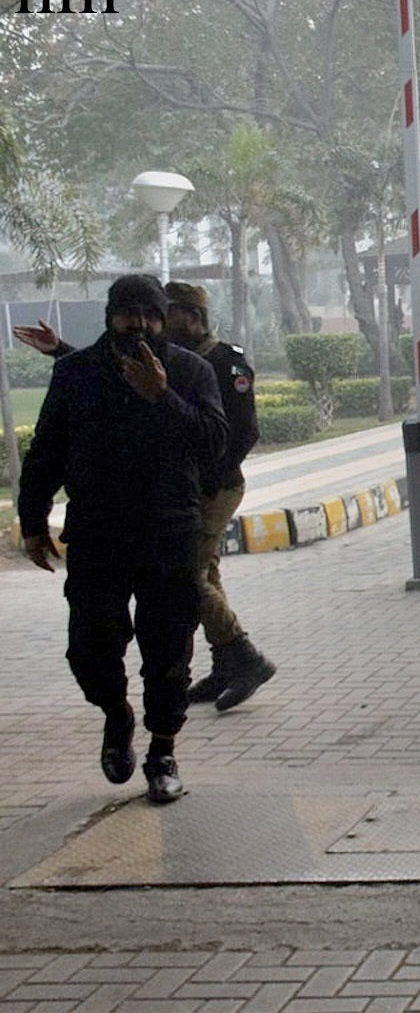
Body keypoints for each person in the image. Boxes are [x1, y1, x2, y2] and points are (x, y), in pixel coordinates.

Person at [16, 274, 228, 804]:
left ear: (163, 318)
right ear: (110, 317)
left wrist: (163, 399)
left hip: (168, 531)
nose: (139, 324)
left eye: (150, 314)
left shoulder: (189, 371)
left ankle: (162, 751)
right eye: (127, 313)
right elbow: (46, 451)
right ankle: (116, 713)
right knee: (89, 648)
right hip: (97, 535)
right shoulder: (76, 373)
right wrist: (32, 520)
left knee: (167, 650)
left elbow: (214, 447)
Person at [15, 284, 275, 710]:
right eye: (130, 314)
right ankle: (227, 661)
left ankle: (242, 654)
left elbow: (239, 433)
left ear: (190, 316)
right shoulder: (157, 356)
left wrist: (201, 477)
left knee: (191, 576)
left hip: (213, 487)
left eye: (160, 314)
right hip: (154, 505)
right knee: (204, 574)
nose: (145, 324)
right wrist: (61, 349)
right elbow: (105, 381)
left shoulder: (217, 364)